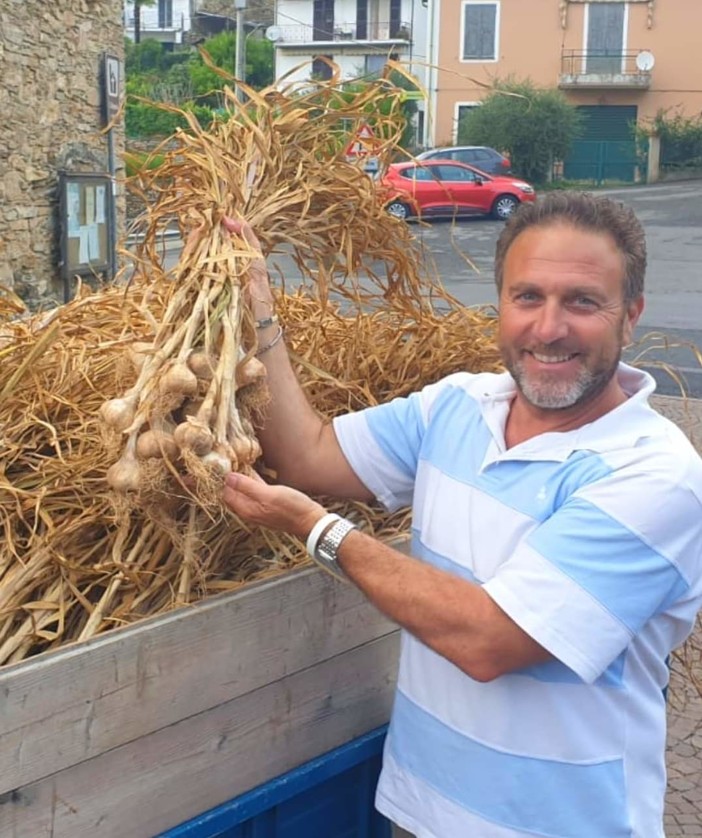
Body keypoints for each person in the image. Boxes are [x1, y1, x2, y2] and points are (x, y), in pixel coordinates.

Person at [221, 192, 702, 838]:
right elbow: (308, 454)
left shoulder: (654, 476)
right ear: (499, 304)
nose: (549, 327)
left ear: (630, 316)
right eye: (527, 297)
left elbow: (489, 640)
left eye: (582, 301)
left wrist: (318, 530)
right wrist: (259, 312)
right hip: (423, 816)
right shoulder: (455, 407)